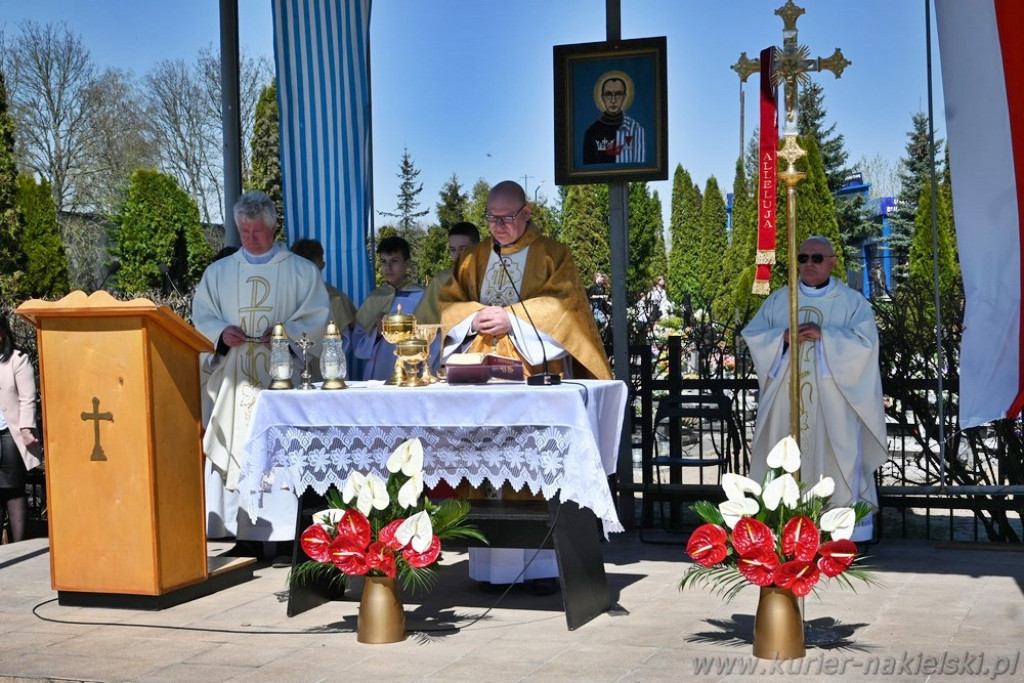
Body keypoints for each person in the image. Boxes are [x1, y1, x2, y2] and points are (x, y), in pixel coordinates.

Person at [439, 180, 611, 593]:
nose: (497, 227)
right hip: (481, 378)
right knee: (484, 463)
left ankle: (541, 567)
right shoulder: (477, 257)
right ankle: (489, 567)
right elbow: (449, 301)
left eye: (506, 218)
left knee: (532, 463)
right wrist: (473, 317)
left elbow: (566, 307)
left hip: (532, 378)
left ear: (527, 211)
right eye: (491, 218)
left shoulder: (553, 254)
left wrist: (511, 319)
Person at [192, 191, 329, 557]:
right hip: (236, 379)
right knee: (237, 445)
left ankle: (285, 536)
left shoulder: (301, 271)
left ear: (274, 228)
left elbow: (317, 318)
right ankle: (246, 535)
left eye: (258, 231)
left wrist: (285, 335)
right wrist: (220, 333)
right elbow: (202, 316)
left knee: (281, 454)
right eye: (244, 230)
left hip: (280, 379)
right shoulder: (218, 273)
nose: (251, 238)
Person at [741, 236, 888, 543]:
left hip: (834, 402)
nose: (808, 264)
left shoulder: (852, 302)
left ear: (832, 262)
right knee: (783, 457)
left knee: (838, 459)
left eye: (817, 259)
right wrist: (780, 339)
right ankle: (785, 531)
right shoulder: (780, 300)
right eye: (803, 257)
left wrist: (827, 337)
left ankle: (838, 533)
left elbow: (866, 346)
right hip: (787, 400)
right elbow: (754, 335)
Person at [353, 235, 425, 381]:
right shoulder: (374, 298)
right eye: (384, 261)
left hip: (411, 366)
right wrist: (377, 334)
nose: (388, 267)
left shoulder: (421, 297)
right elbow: (358, 339)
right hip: (378, 368)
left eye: (394, 261)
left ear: (407, 263)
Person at [291, 237, 358, 378]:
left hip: (326, 368)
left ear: (321, 265)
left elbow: (346, 342)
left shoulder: (336, 299)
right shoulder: (286, 297)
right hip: (294, 366)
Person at [0, 314, 40, 544]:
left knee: (13, 490)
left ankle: (21, 547)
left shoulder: (17, 359)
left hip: (10, 435)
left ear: (3, 333)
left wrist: (26, 428)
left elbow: (27, 398)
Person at [582, 73, 646, 165]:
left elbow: (640, 168)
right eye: (608, 94)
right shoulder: (591, 132)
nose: (613, 100)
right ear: (602, 97)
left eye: (618, 94)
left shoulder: (636, 130)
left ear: (624, 97)